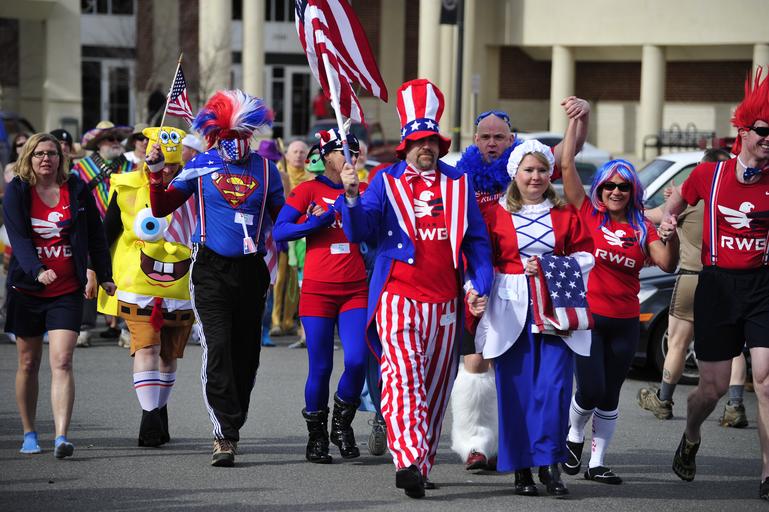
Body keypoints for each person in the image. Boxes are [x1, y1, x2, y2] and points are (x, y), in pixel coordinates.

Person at [338, 78, 493, 498]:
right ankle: (407, 459)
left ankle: (420, 465)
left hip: (445, 303)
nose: (427, 147)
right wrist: (350, 197)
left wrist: (479, 282)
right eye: (419, 141)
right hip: (398, 297)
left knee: (435, 389)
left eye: (433, 141)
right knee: (402, 378)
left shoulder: (459, 184)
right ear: (405, 145)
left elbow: (477, 242)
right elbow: (360, 231)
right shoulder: (383, 181)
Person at [451, 99, 591, 471]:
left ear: (510, 140)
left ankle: (527, 452)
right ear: (475, 140)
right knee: (476, 363)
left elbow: (568, 153)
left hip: (539, 298)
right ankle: (477, 442)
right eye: (485, 137)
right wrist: (472, 287)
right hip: (479, 279)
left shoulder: (531, 165)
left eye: (499, 137)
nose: (492, 143)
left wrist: (581, 118)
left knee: (539, 382)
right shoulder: (459, 176)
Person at [149, 89, 284, 467]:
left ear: (250, 135)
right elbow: (161, 207)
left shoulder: (267, 170)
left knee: (246, 353)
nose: (236, 143)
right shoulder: (201, 165)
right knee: (219, 347)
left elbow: (284, 219)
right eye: (228, 136)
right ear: (215, 135)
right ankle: (224, 433)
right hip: (210, 268)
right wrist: (156, 172)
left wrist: (316, 217)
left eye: (242, 136)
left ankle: (233, 416)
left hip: (252, 269)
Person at [662, 68, 769, 500]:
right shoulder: (711, 175)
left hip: (762, 284)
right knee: (713, 388)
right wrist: (667, 221)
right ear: (743, 131)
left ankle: (767, 473)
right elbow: (674, 203)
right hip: (717, 286)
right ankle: (691, 435)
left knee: (765, 380)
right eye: (763, 130)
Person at [559, 116, 679, 485]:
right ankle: (573, 436)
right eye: (609, 185)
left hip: (626, 321)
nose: (615, 191)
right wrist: (576, 120)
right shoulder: (587, 214)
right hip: (590, 320)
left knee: (610, 395)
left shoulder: (642, 226)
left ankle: (597, 463)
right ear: (599, 188)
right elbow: (566, 165)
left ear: (632, 190)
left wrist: (671, 233)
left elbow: (667, 263)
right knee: (591, 389)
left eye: (623, 186)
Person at [473, 138, 595, 497]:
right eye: (529, 170)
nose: (536, 176)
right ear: (515, 173)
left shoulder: (564, 213)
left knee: (554, 389)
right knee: (516, 393)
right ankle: (522, 468)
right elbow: (482, 260)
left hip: (555, 311)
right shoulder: (494, 213)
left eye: (542, 169)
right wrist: (474, 290)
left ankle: (549, 464)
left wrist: (548, 266)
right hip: (509, 310)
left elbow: (587, 255)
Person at [4, 133, 114, 458]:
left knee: (63, 360)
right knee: (28, 362)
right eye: (39, 154)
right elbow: (19, 238)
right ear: (29, 157)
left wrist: (104, 274)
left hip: (66, 290)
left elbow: (95, 234)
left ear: (61, 158)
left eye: (51, 153)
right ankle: (29, 433)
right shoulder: (18, 190)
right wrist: (37, 270)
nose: (46, 159)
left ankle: (61, 436)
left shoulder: (76, 188)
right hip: (27, 289)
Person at [274, 128, 369, 464]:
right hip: (317, 291)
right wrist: (316, 222)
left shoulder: (364, 189)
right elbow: (280, 230)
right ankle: (316, 437)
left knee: (357, 360)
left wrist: (352, 200)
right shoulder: (308, 190)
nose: (351, 158)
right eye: (344, 152)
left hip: (355, 289)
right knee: (321, 366)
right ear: (327, 155)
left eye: (355, 153)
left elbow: (373, 230)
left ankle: (341, 425)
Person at [638, 148, 750, 425]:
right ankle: (735, 406)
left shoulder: (689, 201)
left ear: (702, 169)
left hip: (691, 277)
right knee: (733, 345)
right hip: (728, 280)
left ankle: (664, 400)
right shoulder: (735, 200)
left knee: (677, 342)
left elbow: (652, 216)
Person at [101, 126, 196, 448]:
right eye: (162, 164)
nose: (167, 171)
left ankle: (158, 408)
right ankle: (149, 416)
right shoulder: (126, 186)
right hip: (138, 284)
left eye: (173, 165)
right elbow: (106, 232)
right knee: (146, 348)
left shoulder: (193, 188)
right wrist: (95, 271)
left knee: (169, 355)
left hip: (181, 287)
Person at [72, 120, 133, 347]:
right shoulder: (81, 168)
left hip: (123, 231)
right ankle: (84, 328)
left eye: (117, 138)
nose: (116, 142)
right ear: (98, 143)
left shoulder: (130, 166)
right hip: (91, 229)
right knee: (89, 275)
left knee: (125, 278)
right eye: (110, 139)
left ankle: (126, 328)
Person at [271, 140, 310, 339]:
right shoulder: (278, 174)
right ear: (286, 155)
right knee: (279, 279)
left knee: (295, 280)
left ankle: (288, 320)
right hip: (282, 233)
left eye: (302, 152)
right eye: (295, 151)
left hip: (301, 235)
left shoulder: (311, 177)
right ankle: (275, 320)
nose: (298, 155)